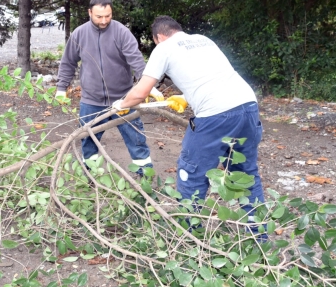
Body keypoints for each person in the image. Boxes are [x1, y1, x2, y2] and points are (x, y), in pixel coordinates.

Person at [113, 16, 265, 219]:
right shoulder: (203, 40)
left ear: (159, 37)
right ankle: (259, 235)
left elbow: (140, 92)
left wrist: (121, 104)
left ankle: (189, 233)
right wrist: (185, 97)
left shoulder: (164, 48)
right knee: (245, 173)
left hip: (216, 114)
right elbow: (214, 76)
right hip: (248, 106)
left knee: (191, 172)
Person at [55, 0, 163, 175]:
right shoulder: (79, 34)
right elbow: (68, 63)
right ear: (90, 13)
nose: (104, 20)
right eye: (99, 16)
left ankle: (145, 179)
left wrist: (148, 85)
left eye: (108, 16)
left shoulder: (121, 32)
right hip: (91, 101)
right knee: (88, 142)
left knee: (137, 141)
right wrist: (61, 89)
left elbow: (135, 60)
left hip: (124, 99)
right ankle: (92, 180)